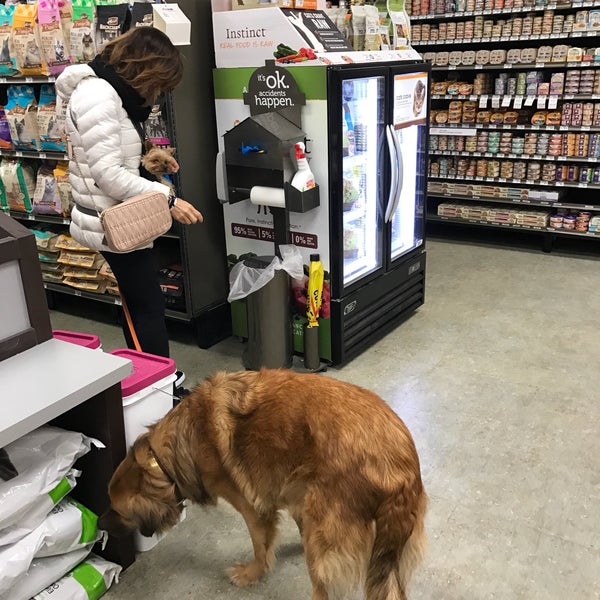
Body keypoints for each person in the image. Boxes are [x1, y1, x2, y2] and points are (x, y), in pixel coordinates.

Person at [56, 27, 202, 393]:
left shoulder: (110, 91)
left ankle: (152, 378)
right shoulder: (99, 96)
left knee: (139, 303)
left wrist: (151, 160)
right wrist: (168, 199)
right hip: (113, 221)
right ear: (145, 68)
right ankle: (158, 388)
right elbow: (107, 175)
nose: (156, 93)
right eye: (159, 83)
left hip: (120, 213)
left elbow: (110, 155)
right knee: (145, 306)